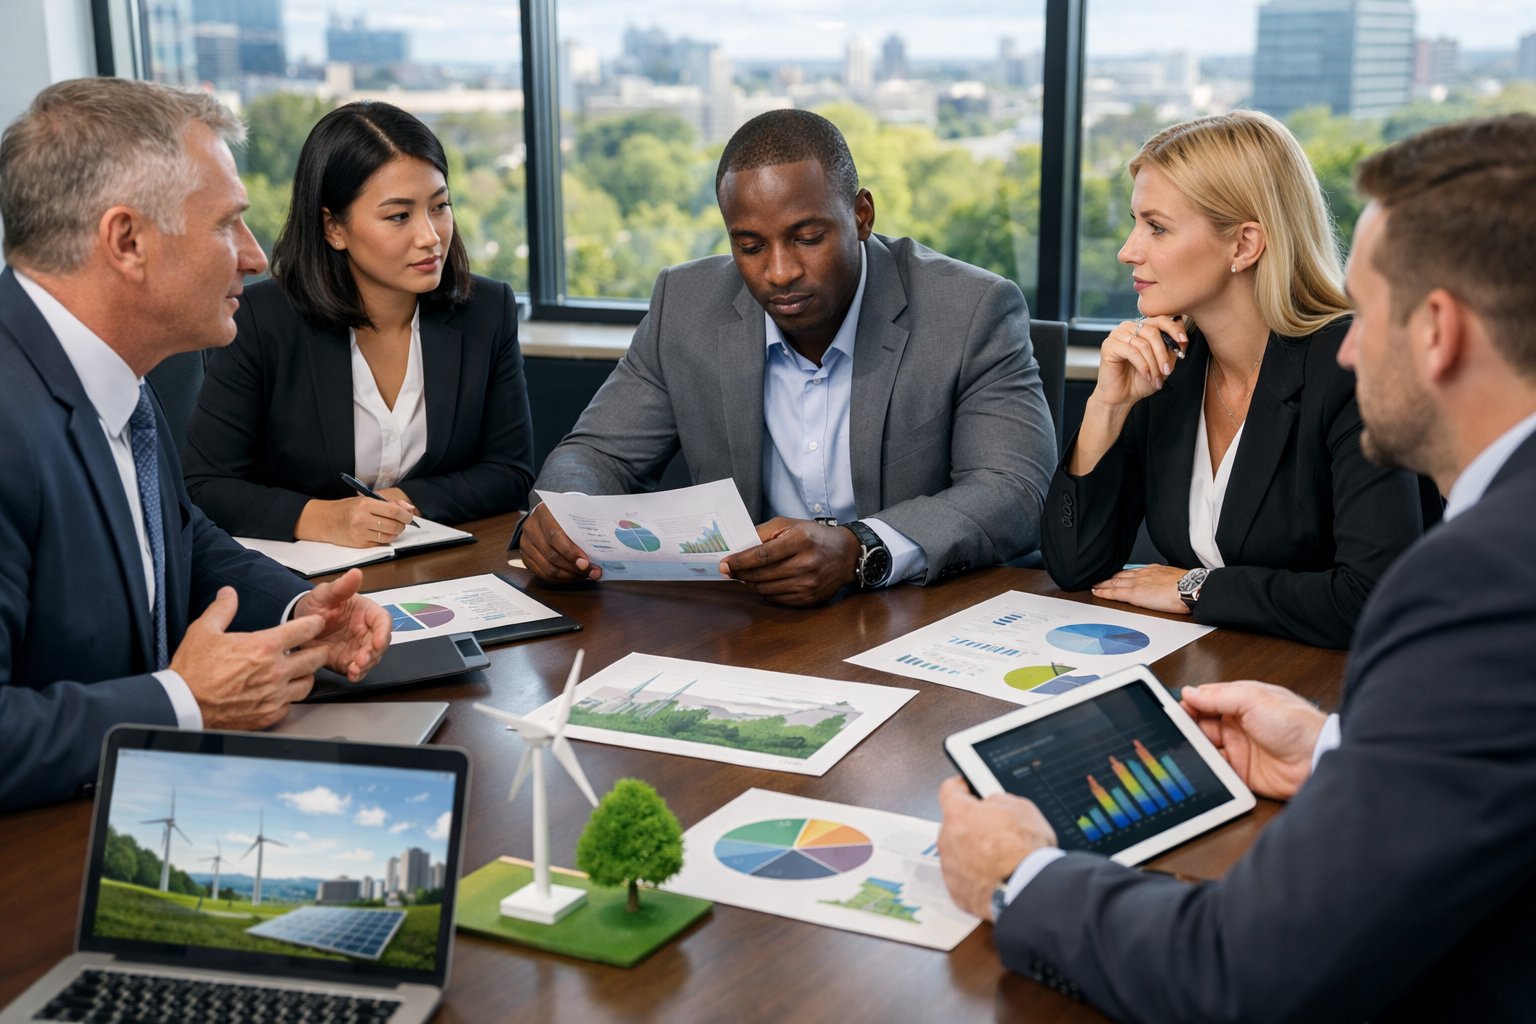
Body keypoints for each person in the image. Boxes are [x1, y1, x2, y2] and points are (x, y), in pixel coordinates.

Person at [938, 114, 1536, 1022]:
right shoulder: (1167, 364)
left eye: (1368, 315)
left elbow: (1243, 972)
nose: (1347, 342)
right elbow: (1075, 560)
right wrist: (1334, 751)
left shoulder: (1481, 583)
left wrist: (1021, 876)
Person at [0, 78, 390, 812]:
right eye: (226, 225)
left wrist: (303, 610)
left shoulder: (114, 373)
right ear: (128, 242)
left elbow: (176, 536)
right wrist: (183, 703)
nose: (252, 256)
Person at [517, 109, 1056, 606]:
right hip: (754, 623)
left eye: (807, 237)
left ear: (861, 215)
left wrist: (858, 550)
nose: (779, 272)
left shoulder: (970, 310)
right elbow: (597, 454)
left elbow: (1015, 490)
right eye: (750, 247)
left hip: (920, 613)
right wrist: (561, 514)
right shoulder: (684, 306)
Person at [1040, 111, 1424, 648]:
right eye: (1136, 222)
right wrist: (1107, 406)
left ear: (1243, 245)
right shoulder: (1168, 364)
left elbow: (1374, 599)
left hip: (1326, 694)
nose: (1129, 250)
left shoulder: (1352, 368)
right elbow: (1076, 565)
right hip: (1211, 672)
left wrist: (1199, 588)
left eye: (1157, 227)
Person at [181, 101, 534, 547]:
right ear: (334, 228)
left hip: (440, 568)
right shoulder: (261, 320)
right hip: (299, 580)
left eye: (440, 206)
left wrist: (401, 502)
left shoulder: (488, 310)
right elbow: (205, 485)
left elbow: (510, 472)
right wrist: (322, 519)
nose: (429, 236)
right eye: (399, 216)